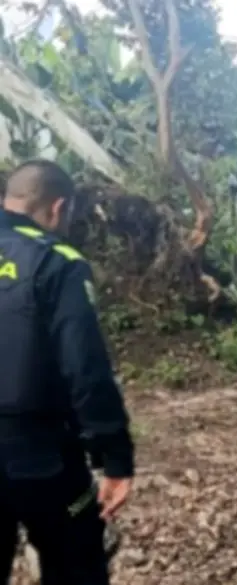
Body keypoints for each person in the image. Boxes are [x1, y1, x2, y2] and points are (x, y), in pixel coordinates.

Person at [0, 160, 135, 584]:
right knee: (76, 565)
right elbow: (85, 367)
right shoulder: (57, 262)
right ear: (57, 208)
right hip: (41, 455)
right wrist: (114, 456)